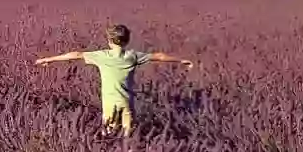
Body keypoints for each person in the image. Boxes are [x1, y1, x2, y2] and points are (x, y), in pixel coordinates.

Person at [34, 23, 193, 138]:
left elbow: (76, 54)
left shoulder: (102, 56)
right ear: (127, 41)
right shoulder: (132, 56)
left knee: (108, 134)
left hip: (110, 103)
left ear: (109, 41)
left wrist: (48, 59)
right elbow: (159, 56)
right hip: (126, 103)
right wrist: (181, 60)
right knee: (127, 136)